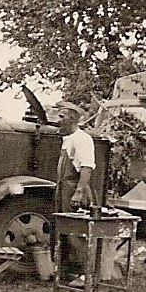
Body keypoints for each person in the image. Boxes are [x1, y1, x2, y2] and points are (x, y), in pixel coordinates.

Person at [53, 101, 97, 276]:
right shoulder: (68, 139)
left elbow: (87, 167)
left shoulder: (82, 139)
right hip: (64, 190)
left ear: (72, 118)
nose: (58, 120)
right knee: (63, 232)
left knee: (76, 234)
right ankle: (65, 272)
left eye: (61, 116)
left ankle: (85, 275)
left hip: (74, 191)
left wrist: (78, 192)